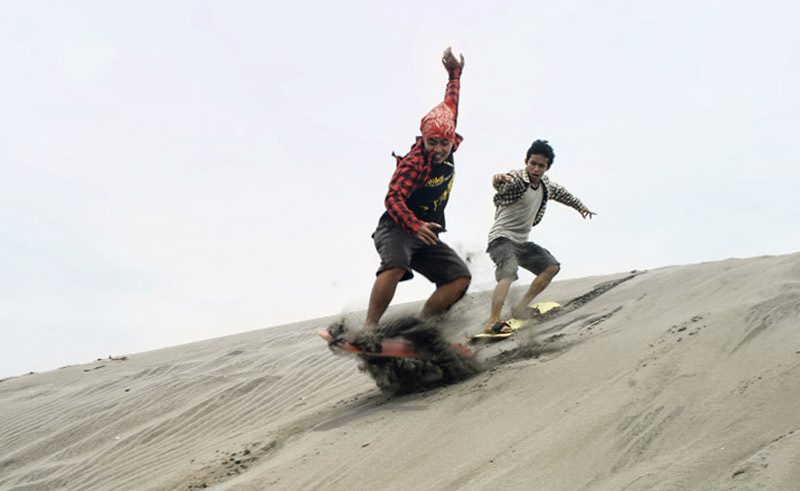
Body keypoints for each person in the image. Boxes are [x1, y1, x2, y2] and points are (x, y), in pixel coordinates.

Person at [364, 47, 471, 331]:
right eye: (431, 142)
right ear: (423, 138)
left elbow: (451, 103)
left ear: (452, 140)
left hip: (425, 233)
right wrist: (413, 225)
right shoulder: (415, 164)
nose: (437, 150)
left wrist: (454, 73)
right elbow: (393, 198)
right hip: (398, 227)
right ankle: (369, 329)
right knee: (396, 264)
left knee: (459, 277)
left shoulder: (448, 133)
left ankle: (420, 330)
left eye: (443, 144)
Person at [484, 139, 596, 333]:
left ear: (547, 168)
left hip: (521, 242)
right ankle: (493, 321)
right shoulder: (518, 179)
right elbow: (503, 183)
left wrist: (580, 207)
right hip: (500, 239)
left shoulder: (546, 186)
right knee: (509, 272)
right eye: (532, 163)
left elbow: (563, 194)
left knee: (551, 266)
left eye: (541, 166)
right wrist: (499, 180)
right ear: (526, 161)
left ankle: (520, 307)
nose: (535, 169)